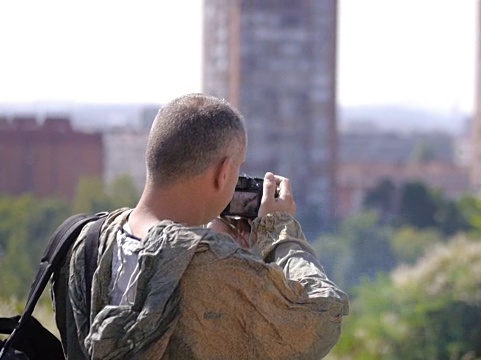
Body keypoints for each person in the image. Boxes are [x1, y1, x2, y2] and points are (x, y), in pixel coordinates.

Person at [51, 93, 349, 359]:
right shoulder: (210, 267)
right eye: (238, 169)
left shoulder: (82, 240)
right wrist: (278, 229)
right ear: (223, 173)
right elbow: (321, 316)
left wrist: (213, 241)